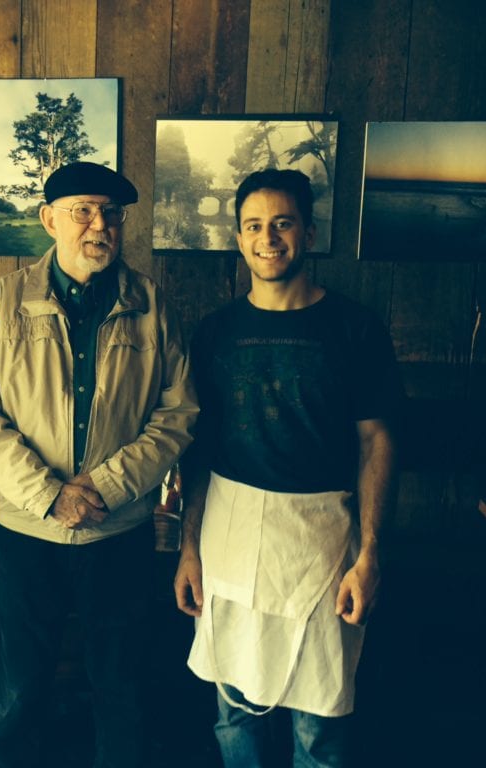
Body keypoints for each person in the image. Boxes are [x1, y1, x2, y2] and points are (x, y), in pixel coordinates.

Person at [0, 161, 199, 768]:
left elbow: (177, 413)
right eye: (83, 211)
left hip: (117, 529)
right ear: (48, 220)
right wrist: (48, 494)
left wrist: (106, 486)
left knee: (122, 685)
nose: (100, 225)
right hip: (26, 527)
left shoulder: (149, 302)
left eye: (111, 214)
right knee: (18, 691)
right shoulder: (6, 300)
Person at [174, 169, 402, 767]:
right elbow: (199, 446)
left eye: (282, 223)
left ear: (309, 230)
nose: (267, 237)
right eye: (254, 225)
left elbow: (377, 442)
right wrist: (188, 548)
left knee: (319, 722)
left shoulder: (355, 328)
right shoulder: (217, 332)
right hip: (230, 532)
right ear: (239, 237)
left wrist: (370, 554)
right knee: (232, 709)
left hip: (322, 540)